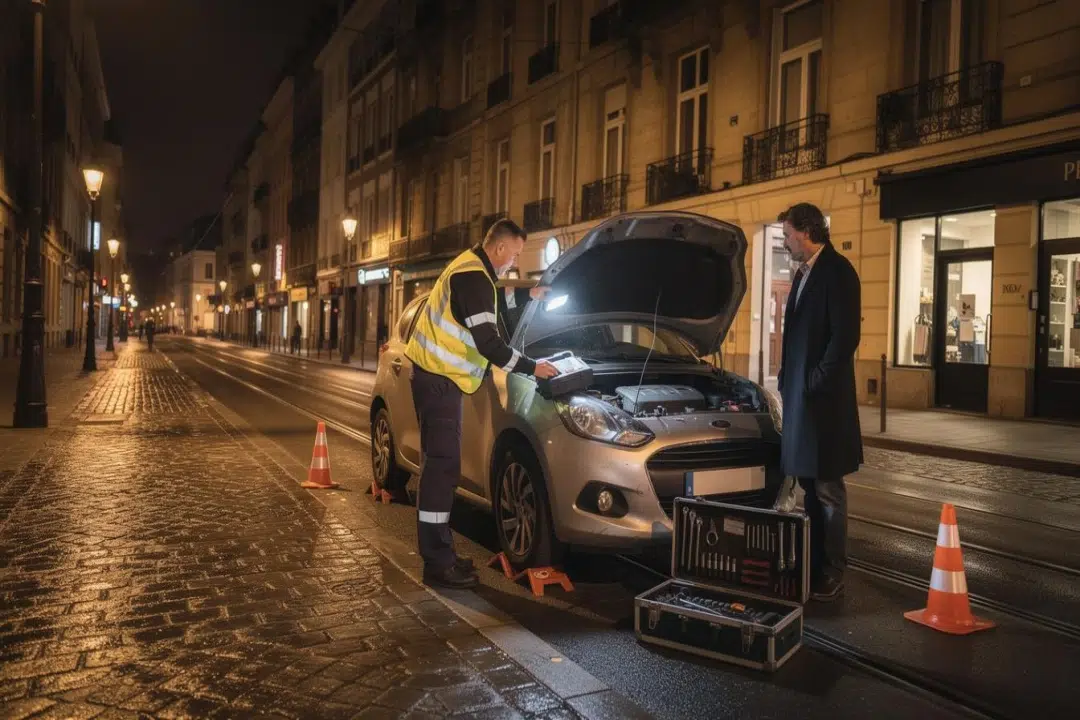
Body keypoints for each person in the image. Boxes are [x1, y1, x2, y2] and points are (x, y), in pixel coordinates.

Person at [402, 219, 560, 590]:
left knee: (440, 468)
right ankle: (437, 563)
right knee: (442, 470)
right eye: (516, 254)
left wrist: (529, 296)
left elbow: (497, 303)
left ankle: (439, 553)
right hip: (438, 380)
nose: (514, 262)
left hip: (437, 379)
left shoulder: (474, 270)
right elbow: (490, 344)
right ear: (501, 248)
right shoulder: (473, 276)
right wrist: (534, 367)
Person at [776, 202, 863, 602]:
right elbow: (793, 333)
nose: (785, 241)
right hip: (801, 396)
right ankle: (811, 566)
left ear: (807, 231)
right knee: (809, 486)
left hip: (823, 401)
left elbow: (844, 337)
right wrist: (785, 378)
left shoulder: (838, 272)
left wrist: (815, 380)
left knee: (828, 487)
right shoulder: (802, 274)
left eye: (788, 234)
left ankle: (833, 569)